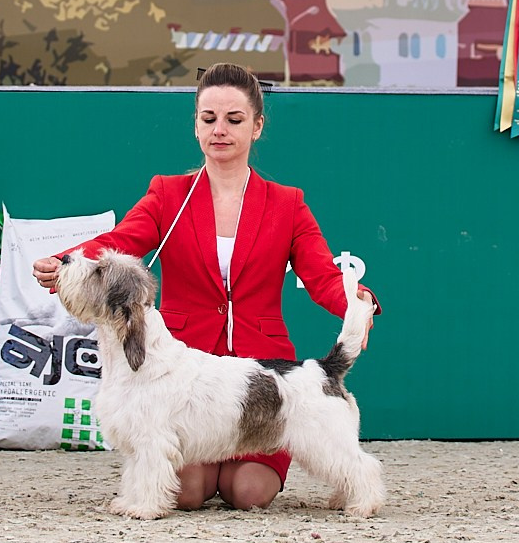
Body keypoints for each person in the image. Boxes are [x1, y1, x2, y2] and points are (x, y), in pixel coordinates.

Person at [32, 63, 380, 512]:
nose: (220, 130)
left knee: (248, 492)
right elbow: (119, 243)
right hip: (185, 378)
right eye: (209, 118)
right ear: (195, 124)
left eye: (234, 119)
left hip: (262, 380)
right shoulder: (168, 194)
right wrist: (65, 262)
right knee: (188, 492)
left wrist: (356, 301)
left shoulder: (287, 204)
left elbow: (321, 276)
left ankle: (349, 482)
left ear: (257, 126)